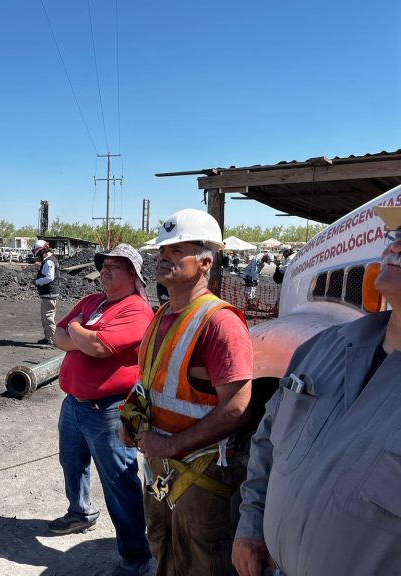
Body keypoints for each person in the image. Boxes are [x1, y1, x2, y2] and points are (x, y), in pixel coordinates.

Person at [232, 206, 401, 576]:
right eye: (396, 235)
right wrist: (252, 524)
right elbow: (268, 440)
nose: (395, 247)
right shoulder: (322, 347)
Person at [120, 208, 253, 576]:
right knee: (162, 550)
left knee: (201, 564)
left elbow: (238, 407)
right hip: (159, 469)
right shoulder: (160, 316)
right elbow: (149, 384)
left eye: (178, 250)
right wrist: (130, 418)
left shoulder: (220, 323)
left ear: (206, 261)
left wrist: (173, 445)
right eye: (163, 251)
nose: (165, 257)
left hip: (201, 474)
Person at [49, 243, 154, 576]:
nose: (105, 271)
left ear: (133, 275)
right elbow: (57, 337)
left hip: (110, 410)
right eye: (104, 265)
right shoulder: (91, 301)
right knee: (72, 461)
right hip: (74, 405)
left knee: (119, 482)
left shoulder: (136, 310)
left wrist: (79, 330)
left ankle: (135, 557)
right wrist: (81, 335)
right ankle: (80, 512)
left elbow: (96, 346)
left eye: (114, 267)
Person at [32, 239, 60, 345]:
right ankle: (48, 337)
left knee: (48, 317)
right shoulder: (49, 260)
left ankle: (52, 340)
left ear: (42, 251)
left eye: (38, 253)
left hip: (49, 293)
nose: (38, 256)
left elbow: (49, 277)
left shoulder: (49, 261)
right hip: (47, 294)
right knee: (45, 317)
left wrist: (37, 282)